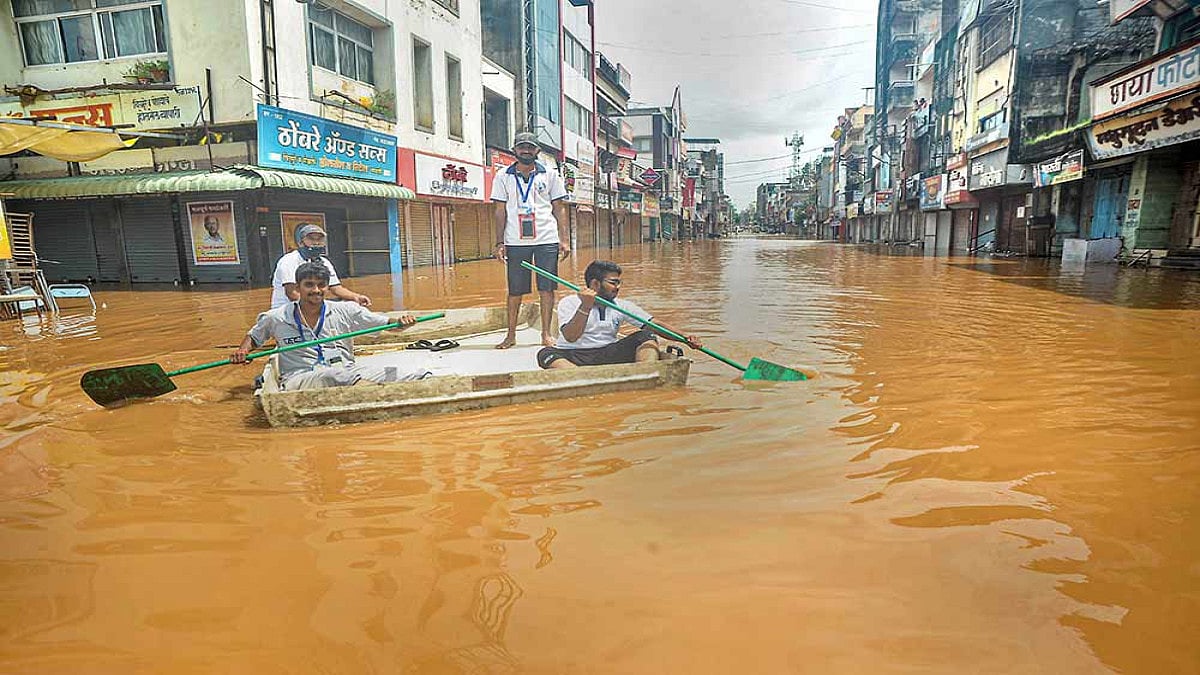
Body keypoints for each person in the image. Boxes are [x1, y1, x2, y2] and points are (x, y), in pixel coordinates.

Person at [233, 262, 429, 390]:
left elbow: (388, 325)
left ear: (328, 287)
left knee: (403, 374)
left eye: (321, 285)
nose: (316, 290)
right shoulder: (276, 317)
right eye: (309, 285)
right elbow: (254, 337)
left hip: (348, 372)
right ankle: (376, 392)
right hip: (300, 378)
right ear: (297, 288)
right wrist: (243, 352)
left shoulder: (347, 310)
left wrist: (402, 323)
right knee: (333, 375)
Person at [537, 260, 702, 369]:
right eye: (613, 283)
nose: (617, 287)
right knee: (545, 354)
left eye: (619, 283)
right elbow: (571, 337)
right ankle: (579, 376)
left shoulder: (622, 305)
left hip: (608, 353)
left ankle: (644, 375)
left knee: (646, 335)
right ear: (595, 283)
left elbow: (654, 324)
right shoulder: (570, 302)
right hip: (575, 355)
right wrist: (585, 307)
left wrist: (685, 337)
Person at [490, 131, 571, 349]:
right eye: (521, 147)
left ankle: (545, 333)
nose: (526, 151)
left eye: (530, 147)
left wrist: (564, 240)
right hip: (515, 241)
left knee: (547, 288)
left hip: (546, 239)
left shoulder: (551, 175)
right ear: (514, 150)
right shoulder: (502, 176)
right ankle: (510, 335)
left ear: (537, 150)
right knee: (515, 291)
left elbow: (559, 208)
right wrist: (499, 243)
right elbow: (499, 211)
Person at [270, 223, 371, 309]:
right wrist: (320, 308)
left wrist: (356, 297)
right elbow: (292, 293)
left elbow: (336, 288)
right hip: (286, 308)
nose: (316, 242)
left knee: (351, 305)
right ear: (300, 242)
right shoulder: (289, 261)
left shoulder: (324, 262)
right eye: (311, 239)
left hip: (313, 304)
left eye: (319, 239)